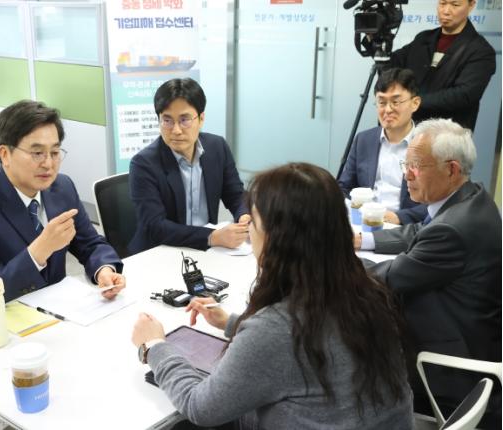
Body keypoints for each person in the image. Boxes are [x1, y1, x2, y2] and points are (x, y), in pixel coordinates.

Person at [132, 163, 413, 429]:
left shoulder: (277, 328)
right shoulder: (368, 289)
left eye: (253, 223)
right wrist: (232, 322)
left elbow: (200, 408)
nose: (248, 234)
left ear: (277, 239)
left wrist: (154, 346)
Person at [354, 118, 501, 427]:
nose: (406, 174)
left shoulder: (452, 230)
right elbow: (420, 231)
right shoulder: (470, 198)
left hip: (448, 368)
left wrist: (333, 260)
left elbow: (389, 278)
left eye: (416, 166)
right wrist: (361, 240)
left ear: (452, 169)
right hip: (476, 337)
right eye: (406, 164)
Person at [0, 100, 125, 316]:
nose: (48, 164)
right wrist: (39, 251)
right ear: (4, 154)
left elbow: (90, 244)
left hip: (54, 310)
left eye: (55, 152)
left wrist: (104, 269)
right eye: (37, 153)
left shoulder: (62, 187)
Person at [128, 78, 249, 255]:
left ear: (201, 119)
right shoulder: (143, 164)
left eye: (184, 120)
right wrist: (212, 237)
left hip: (207, 251)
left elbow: (236, 195)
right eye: (167, 120)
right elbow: (155, 226)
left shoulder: (217, 147)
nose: (176, 130)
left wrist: (244, 216)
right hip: (160, 251)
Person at [388, 0, 496, 131]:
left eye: (455, 5)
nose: (446, 11)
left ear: (471, 5)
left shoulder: (481, 50)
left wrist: (412, 102)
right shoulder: (423, 38)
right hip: (406, 130)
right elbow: (391, 66)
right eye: (442, 3)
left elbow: (464, 95)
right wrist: (375, 42)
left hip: (447, 135)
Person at [338, 68, 427, 225]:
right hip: (364, 222)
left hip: (405, 228)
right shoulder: (364, 140)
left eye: (395, 102)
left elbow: (439, 200)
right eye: (382, 102)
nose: (387, 110)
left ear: (415, 103)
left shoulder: (428, 144)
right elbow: (344, 188)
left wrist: (399, 217)